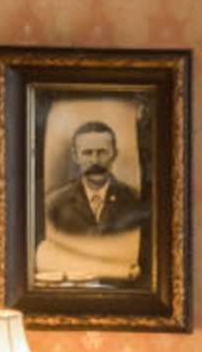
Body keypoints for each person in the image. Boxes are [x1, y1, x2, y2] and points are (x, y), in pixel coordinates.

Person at [33, 116, 149, 286]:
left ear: (114, 154)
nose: (95, 161)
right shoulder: (54, 202)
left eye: (102, 152)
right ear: (75, 156)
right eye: (87, 153)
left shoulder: (134, 200)